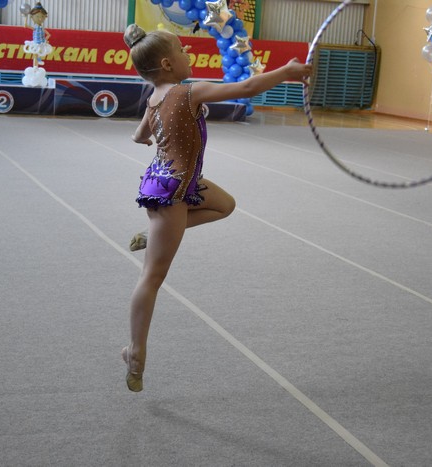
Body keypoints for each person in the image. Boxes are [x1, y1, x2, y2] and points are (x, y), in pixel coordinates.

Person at [121, 24, 312, 392]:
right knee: (152, 277)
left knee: (225, 205)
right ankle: (135, 351)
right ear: (167, 63)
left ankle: (151, 235)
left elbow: (140, 135)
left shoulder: (154, 97)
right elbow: (246, 88)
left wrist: (147, 137)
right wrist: (287, 72)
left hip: (176, 182)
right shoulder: (189, 91)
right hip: (172, 193)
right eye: (182, 49)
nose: (188, 53)